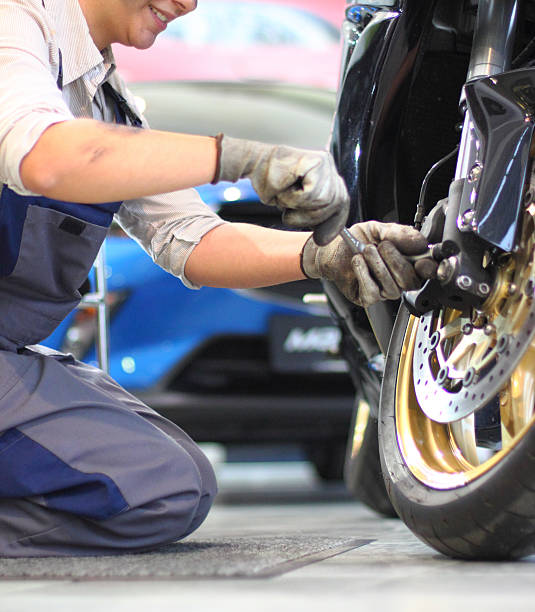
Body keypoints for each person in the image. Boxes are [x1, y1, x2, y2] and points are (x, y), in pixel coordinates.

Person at [0, 0, 433, 557]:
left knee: (174, 484)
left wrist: (325, 256)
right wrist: (234, 157)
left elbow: (189, 235)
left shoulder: (106, 99)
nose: (188, 4)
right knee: (153, 490)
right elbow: (47, 157)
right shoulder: (17, 22)